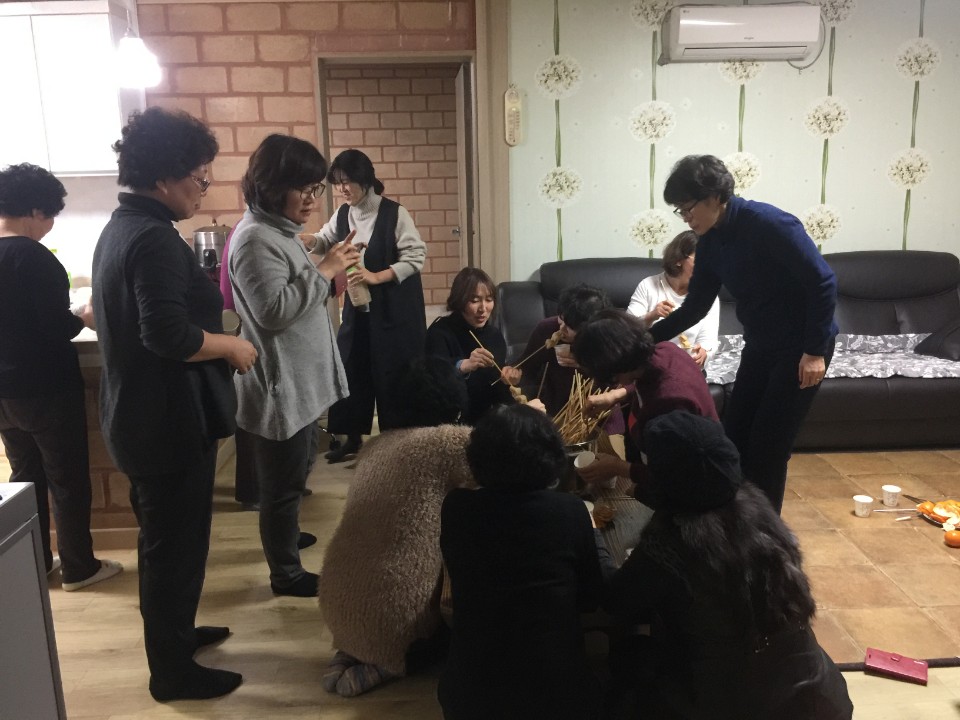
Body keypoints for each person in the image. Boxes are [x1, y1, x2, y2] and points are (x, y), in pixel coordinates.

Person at [92, 107, 258, 702]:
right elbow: (165, 334)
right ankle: (171, 672)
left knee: (170, 544)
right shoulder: (154, 238)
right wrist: (231, 346)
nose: (203, 187)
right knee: (172, 551)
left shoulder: (122, 228)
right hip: (165, 423)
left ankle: (178, 637)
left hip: (141, 416)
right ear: (164, 176)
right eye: (198, 176)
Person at [603, 410, 853, 720]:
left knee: (629, 653)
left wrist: (595, 541)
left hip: (738, 705)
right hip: (819, 696)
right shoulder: (758, 508)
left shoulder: (670, 540)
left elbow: (616, 600)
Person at [650, 154, 838, 513]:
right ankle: (733, 519)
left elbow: (823, 282)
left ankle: (764, 534)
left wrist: (815, 351)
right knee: (733, 435)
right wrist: (646, 339)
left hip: (801, 347)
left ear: (714, 196)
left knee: (769, 446)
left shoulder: (770, 224)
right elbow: (695, 307)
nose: (685, 218)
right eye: (680, 211)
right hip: (760, 344)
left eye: (688, 208)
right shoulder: (709, 242)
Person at [229, 134, 360, 598]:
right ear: (270, 186)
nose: (311, 199)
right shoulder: (254, 240)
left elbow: (295, 291)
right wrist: (325, 270)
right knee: (281, 488)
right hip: (279, 386)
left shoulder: (278, 231)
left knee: (298, 471)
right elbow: (273, 311)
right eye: (302, 188)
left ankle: (284, 533)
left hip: (299, 382)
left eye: (315, 188)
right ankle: (285, 573)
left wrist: (326, 265)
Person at [438, 404, 609, 720]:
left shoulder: (457, 508)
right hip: (555, 700)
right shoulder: (569, 511)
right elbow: (590, 599)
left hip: (470, 698)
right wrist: (594, 536)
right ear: (552, 458)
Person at [318, 356, 473, 697]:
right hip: (395, 616)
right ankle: (385, 662)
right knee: (453, 637)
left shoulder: (375, 446)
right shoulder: (450, 444)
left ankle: (352, 650)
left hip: (336, 600)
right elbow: (503, 461)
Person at [0, 163, 122, 591]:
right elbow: (55, 326)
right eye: (50, 215)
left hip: (4, 393)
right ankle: (79, 567)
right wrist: (83, 316)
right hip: (45, 389)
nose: (50, 225)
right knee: (66, 480)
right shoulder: (34, 258)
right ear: (36, 210)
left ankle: (34, 561)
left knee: (24, 477)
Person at [302, 149, 426, 463]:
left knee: (393, 371)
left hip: (394, 310)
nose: (342, 189)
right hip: (358, 307)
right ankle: (352, 438)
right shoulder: (344, 213)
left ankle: (396, 445)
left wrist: (375, 276)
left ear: (365, 179)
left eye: (347, 182)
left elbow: (415, 257)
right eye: (338, 183)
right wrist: (309, 240)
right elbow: (327, 238)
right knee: (352, 366)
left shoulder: (395, 213)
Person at [571, 309, 718, 503]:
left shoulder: (669, 406)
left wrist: (618, 467)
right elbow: (649, 382)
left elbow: (676, 476)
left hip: (694, 491)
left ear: (616, 368)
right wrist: (616, 395)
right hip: (660, 461)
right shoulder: (665, 350)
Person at [502, 284, 611, 416]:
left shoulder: (607, 337)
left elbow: (620, 383)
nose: (561, 328)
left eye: (570, 327)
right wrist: (514, 374)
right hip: (554, 408)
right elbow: (527, 367)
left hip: (597, 411)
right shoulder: (547, 328)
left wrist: (586, 365)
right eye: (561, 319)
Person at [425, 267, 513, 424]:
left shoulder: (494, 335)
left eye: (489, 300)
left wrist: (508, 380)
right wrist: (463, 365)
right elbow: (432, 379)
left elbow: (498, 393)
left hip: (489, 420)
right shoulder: (440, 332)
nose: (483, 308)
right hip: (451, 423)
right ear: (459, 301)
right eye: (475, 301)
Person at [626, 230, 719, 369]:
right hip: (650, 365)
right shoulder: (648, 285)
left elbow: (708, 340)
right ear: (679, 260)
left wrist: (704, 352)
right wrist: (652, 315)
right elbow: (626, 332)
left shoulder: (708, 295)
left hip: (686, 366)